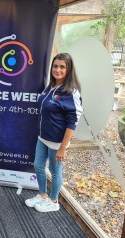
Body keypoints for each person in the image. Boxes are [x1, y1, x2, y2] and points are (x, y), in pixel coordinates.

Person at [25, 53, 83, 213]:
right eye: (55, 66)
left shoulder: (71, 92)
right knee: (38, 166)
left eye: (62, 67)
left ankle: (53, 200)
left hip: (57, 141)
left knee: (55, 171)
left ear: (69, 69)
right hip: (42, 137)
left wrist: (63, 148)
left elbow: (73, 121)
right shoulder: (51, 86)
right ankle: (43, 195)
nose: (57, 70)